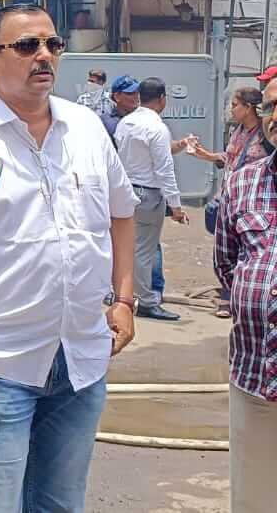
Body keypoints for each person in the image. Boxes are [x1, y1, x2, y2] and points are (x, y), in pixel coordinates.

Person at [0, 6, 137, 512]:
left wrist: (124, 300)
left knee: (60, 502)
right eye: (27, 46)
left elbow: (122, 213)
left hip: (81, 358)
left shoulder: (87, 129)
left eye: (53, 45)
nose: (44, 56)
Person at [213, 76, 277, 513]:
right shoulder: (242, 183)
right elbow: (227, 264)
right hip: (255, 376)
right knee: (254, 499)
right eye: (270, 106)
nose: (276, 116)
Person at [115, 77, 190, 321]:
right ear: (162, 99)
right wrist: (175, 206)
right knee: (145, 251)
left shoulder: (126, 123)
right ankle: (146, 301)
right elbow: (164, 170)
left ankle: (120, 294)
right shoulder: (157, 128)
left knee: (124, 246)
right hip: (148, 194)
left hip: (126, 190)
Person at [188, 87, 266, 318]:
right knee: (226, 250)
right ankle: (230, 292)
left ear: (248, 107)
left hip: (252, 202)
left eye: (234, 105)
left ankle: (234, 297)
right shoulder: (236, 130)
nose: (231, 110)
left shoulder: (265, 134)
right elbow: (230, 158)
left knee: (247, 250)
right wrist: (205, 155)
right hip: (229, 198)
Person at [101, 74, 142, 141]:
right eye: (130, 93)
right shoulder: (105, 121)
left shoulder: (145, 118)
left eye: (137, 92)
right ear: (117, 97)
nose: (136, 96)